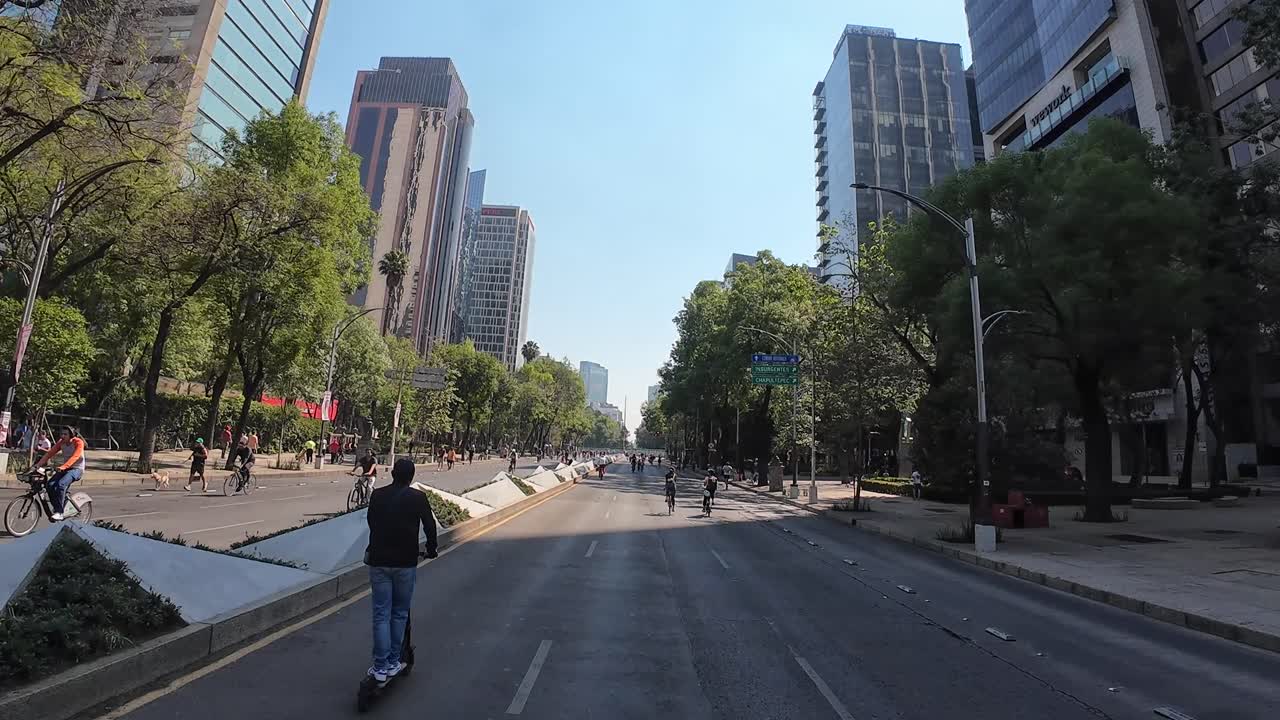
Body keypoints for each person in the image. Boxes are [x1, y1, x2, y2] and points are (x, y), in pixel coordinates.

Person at [364, 459, 438, 684]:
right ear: (412, 477)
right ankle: (394, 661)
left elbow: (371, 522)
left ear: (393, 474)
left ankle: (379, 666)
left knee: (381, 614)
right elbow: (429, 525)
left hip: (378, 561)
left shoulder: (377, 495)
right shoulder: (418, 498)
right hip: (405, 563)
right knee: (399, 613)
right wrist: (431, 549)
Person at [34, 426, 86, 521]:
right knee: (49, 485)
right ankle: (58, 506)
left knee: (61, 484)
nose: (62, 436)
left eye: (65, 434)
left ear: (71, 435)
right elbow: (50, 453)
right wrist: (38, 464)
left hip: (77, 469)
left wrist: (63, 467)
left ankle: (60, 512)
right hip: (65, 468)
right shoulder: (61, 443)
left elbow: (75, 456)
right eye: (61, 434)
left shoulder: (78, 442)